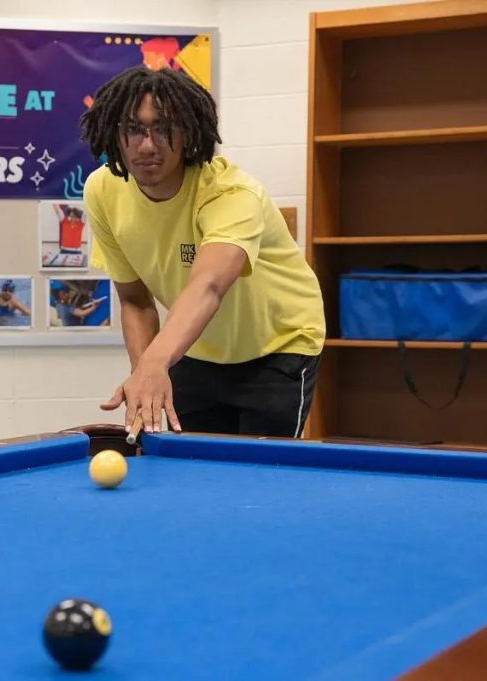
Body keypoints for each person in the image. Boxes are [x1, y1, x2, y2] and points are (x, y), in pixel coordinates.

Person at [79, 65, 325, 438]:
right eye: (133, 129)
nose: (148, 145)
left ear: (188, 133)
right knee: (191, 470)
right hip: (195, 349)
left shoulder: (231, 192)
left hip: (278, 346)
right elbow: (135, 300)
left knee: (258, 477)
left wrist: (157, 360)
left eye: (163, 128)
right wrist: (146, 372)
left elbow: (208, 285)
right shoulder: (102, 191)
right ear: (115, 132)